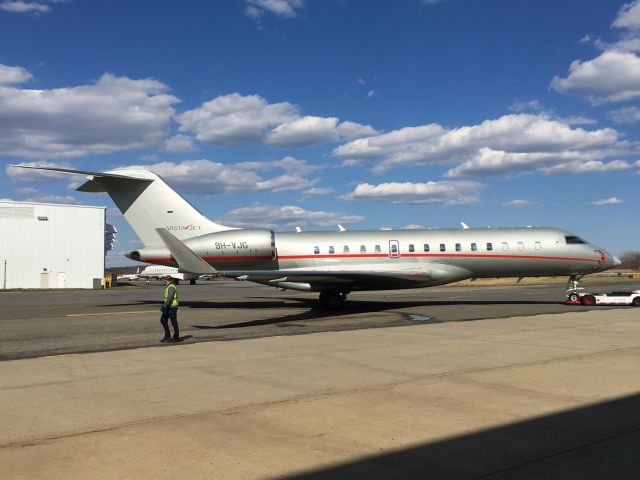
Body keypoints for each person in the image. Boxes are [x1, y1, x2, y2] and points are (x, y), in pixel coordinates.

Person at [160, 275, 180, 343]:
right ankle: (168, 336)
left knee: (173, 322)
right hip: (169, 306)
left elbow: (170, 298)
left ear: (166, 280)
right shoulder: (170, 286)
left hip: (171, 307)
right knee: (163, 320)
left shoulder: (171, 287)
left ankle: (175, 337)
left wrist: (164, 306)